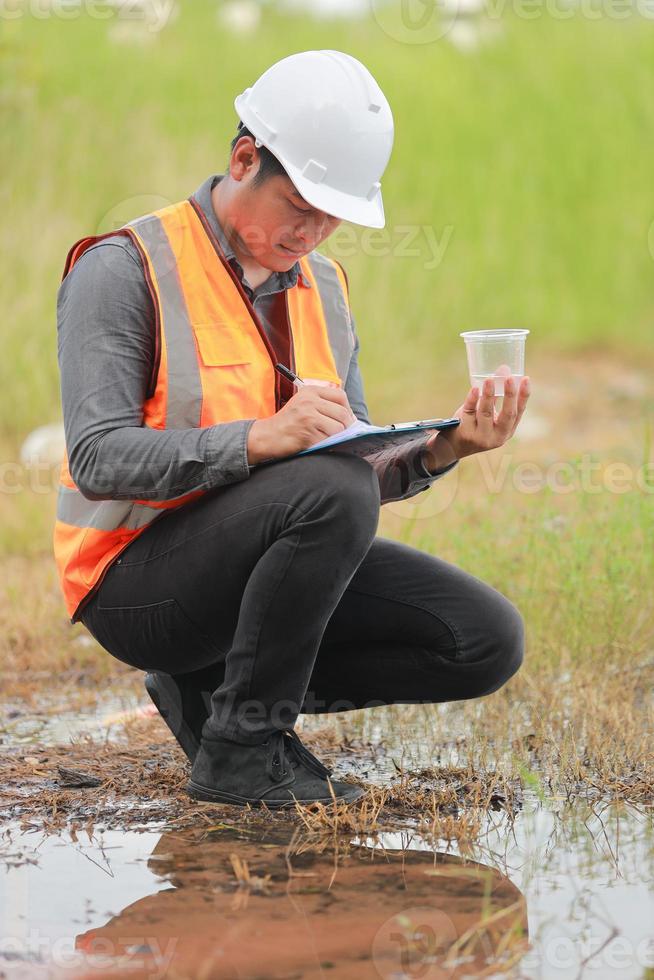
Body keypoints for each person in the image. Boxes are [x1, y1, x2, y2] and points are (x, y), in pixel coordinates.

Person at [54, 50, 530, 810]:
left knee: (482, 639)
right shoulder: (123, 268)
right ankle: (244, 752)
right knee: (329, 490)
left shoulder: (327, 289)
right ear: (244, 159)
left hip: (257, 562)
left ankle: (214, 698)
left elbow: (351, 466)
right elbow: (97, 457)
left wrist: (448, 448)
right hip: (134, 584)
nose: (314, 232)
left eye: (335, 215)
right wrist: (257, 439)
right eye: (302, 206)